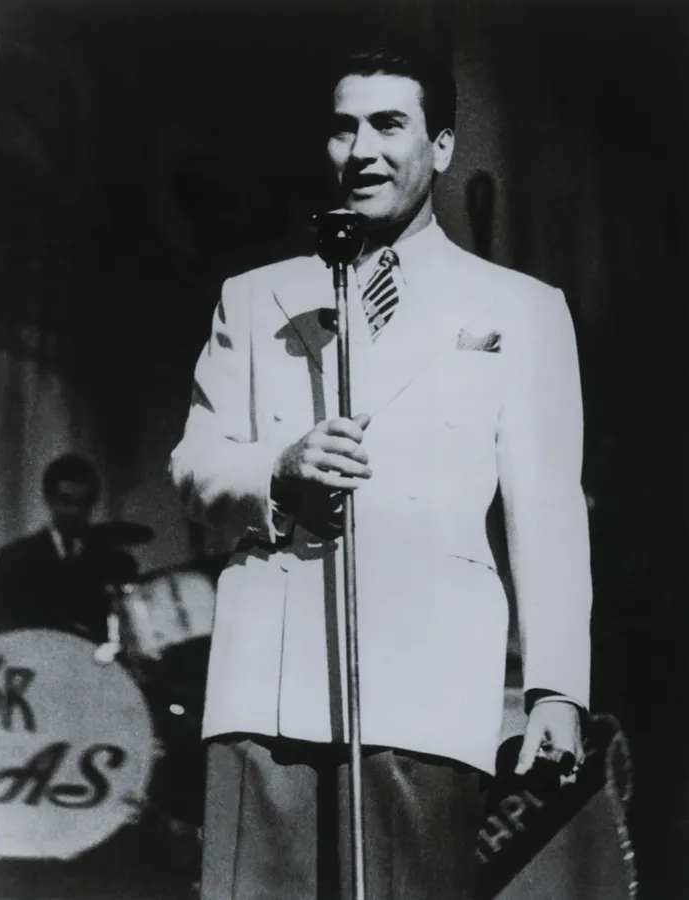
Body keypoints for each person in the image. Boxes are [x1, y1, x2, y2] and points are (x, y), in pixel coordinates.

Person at [170, 41, 592, 900]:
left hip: (428, 680)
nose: (361, 150)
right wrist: (276, 471)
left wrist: (557, 690)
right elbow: (195, 465)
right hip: (269, 679)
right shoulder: (254, 297)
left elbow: (548, 511)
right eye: (343, 128)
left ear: (441, 145)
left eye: (388, 124)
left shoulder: (522, 309)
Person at [0, 453, 137, 644]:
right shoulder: (13, 559)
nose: (76, 511)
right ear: (49, 500)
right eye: (67, 501)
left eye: (84, 503)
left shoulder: (116, 562)